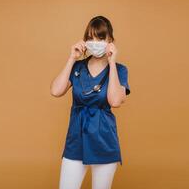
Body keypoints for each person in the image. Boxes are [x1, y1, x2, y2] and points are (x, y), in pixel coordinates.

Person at [50, 15, 131, 189]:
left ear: (110, 40)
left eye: (100, 37)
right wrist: (72, 58)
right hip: (76, 140)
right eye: (90, 37)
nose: (95, 42)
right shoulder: (78, 67)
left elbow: (115, 101)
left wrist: (112, 62)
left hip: (104, 141)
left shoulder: (119, 70)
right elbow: (56, 91)